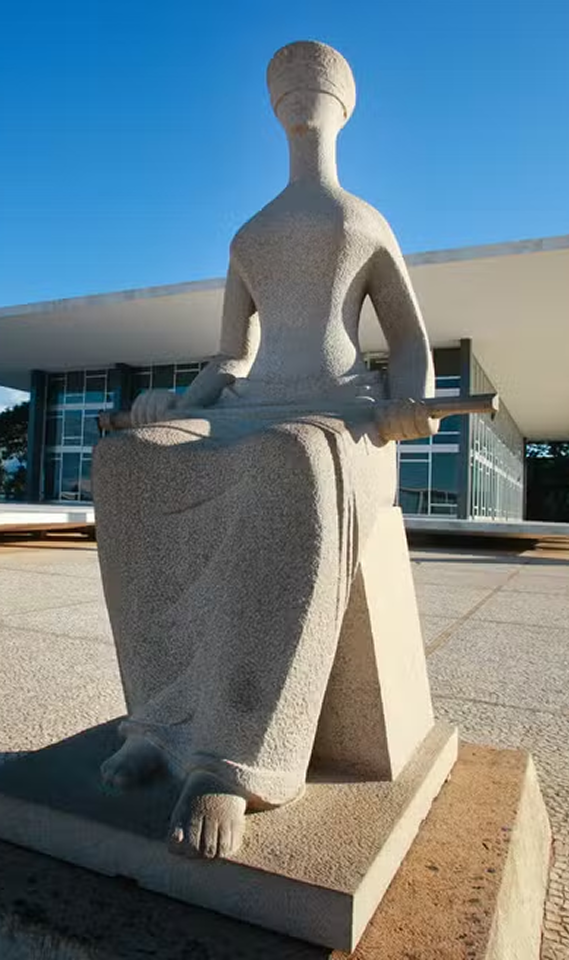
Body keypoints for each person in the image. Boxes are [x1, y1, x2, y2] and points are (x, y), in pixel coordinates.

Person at [92, 40, 438, 860]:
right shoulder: (250, 235)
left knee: (290, 461)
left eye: (311, 84)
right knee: (127, 465)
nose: (296, 95)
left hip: (343, 416)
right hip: (249, 406)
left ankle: (234, 757)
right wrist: (176, 409)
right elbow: (230, 358)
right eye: (282, 84)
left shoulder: (363, 221)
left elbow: (409, 342)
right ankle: (158, 723)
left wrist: (410, 404)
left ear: (342, 105)